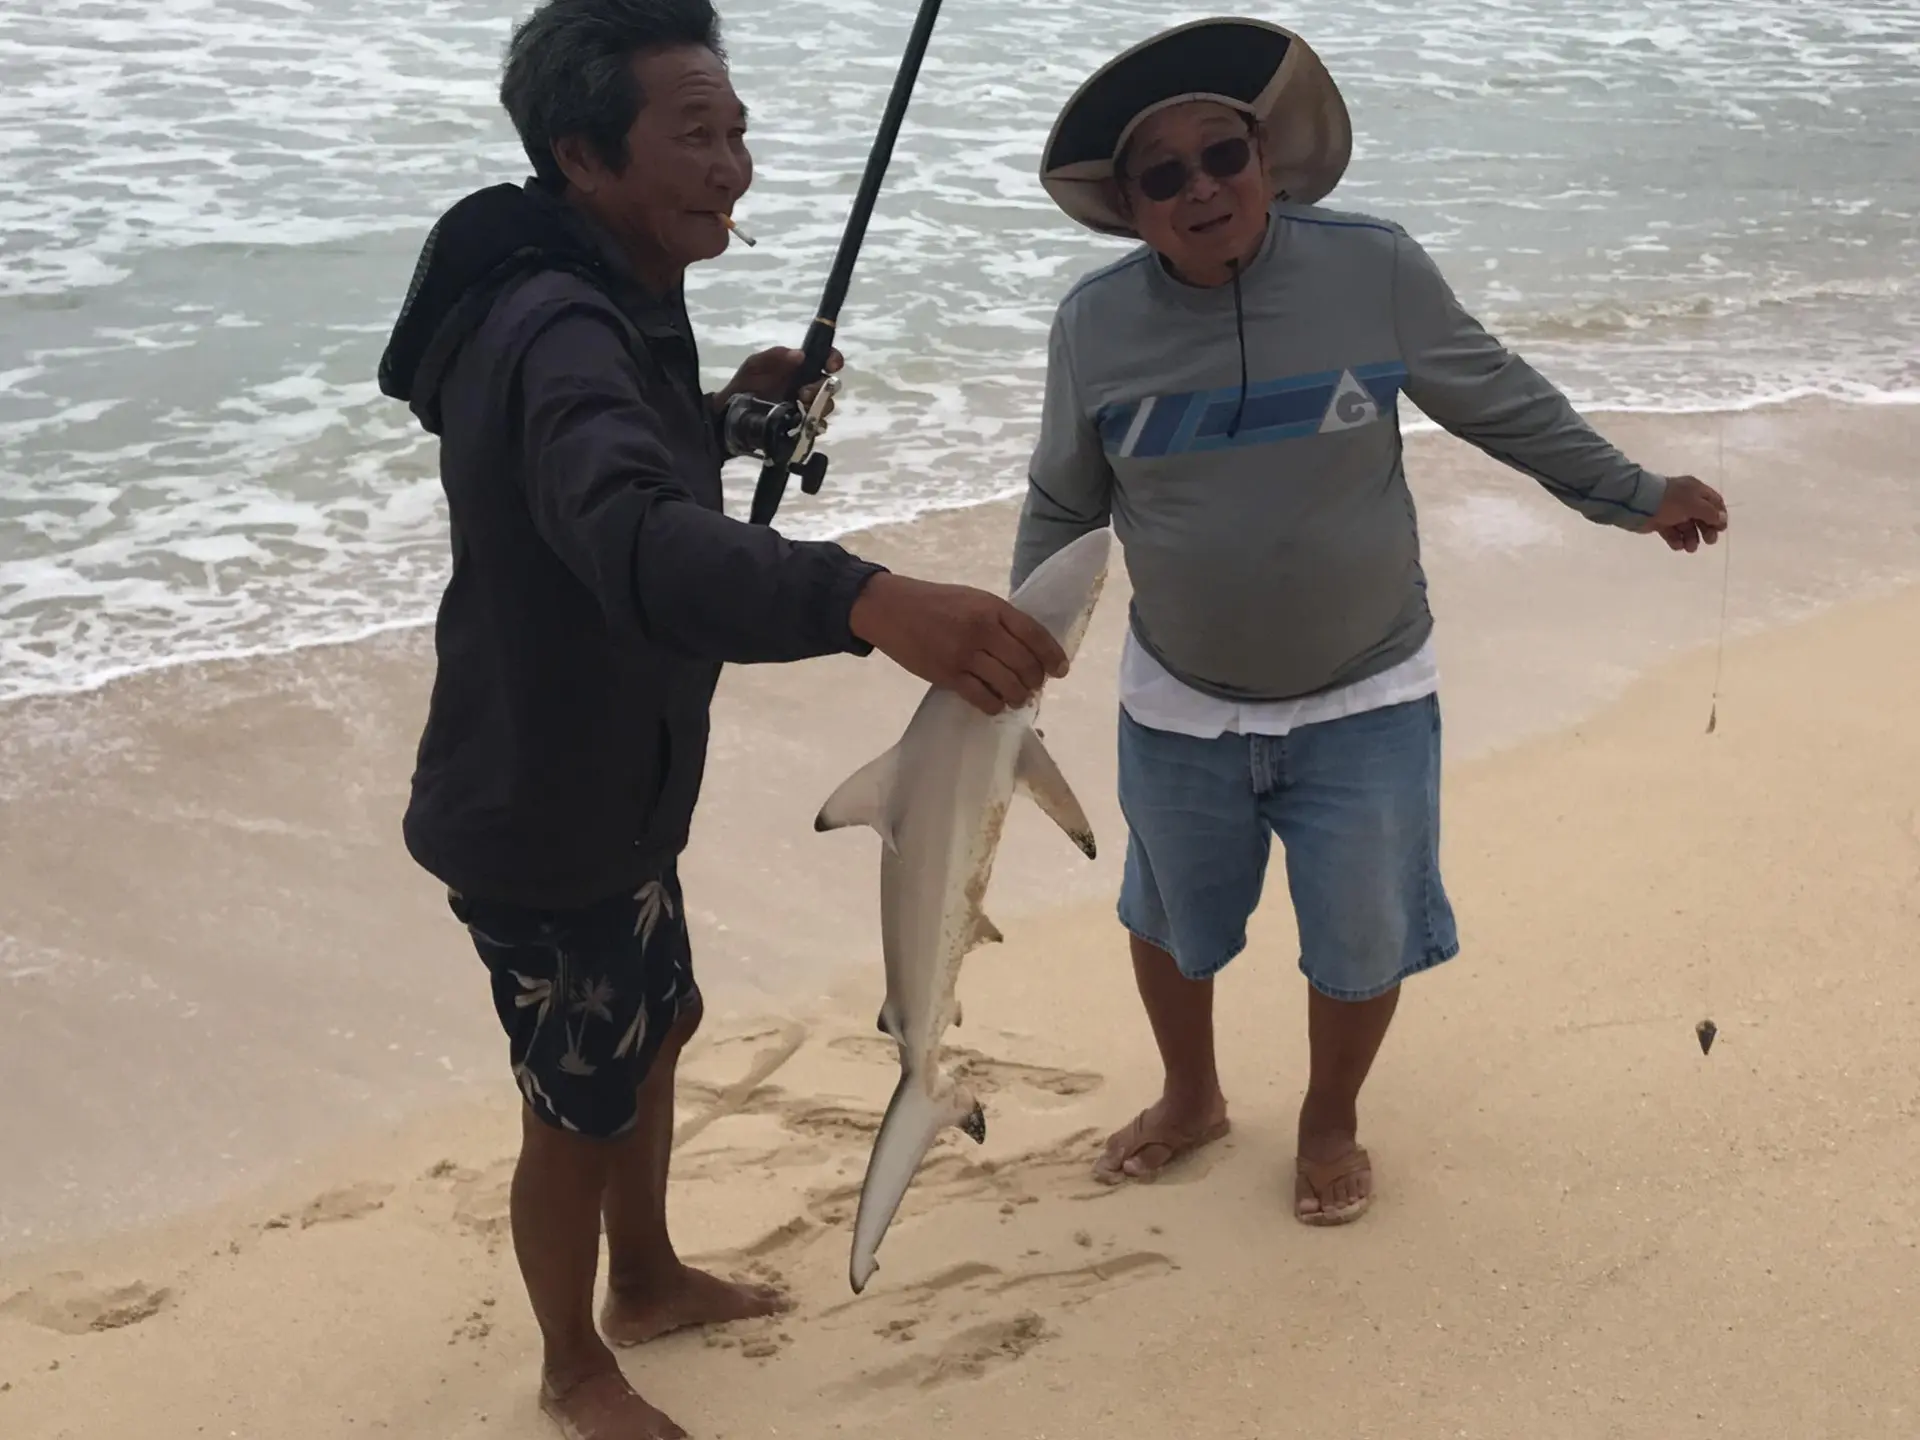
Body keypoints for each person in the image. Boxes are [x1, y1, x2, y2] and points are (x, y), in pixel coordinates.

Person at [375, 2, 1068, 1436]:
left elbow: (615, 451)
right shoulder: (556, 317)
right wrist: (871, 598)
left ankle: (649, 1274)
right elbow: (629, 530)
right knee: (576, 1106)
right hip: (542, 810)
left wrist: (724, 421)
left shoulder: (611, 276)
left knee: (660, 1026)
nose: (732, 167)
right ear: (580, 151)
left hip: (617, 779)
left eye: (736, 129)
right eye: (693, 136)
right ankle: (576, 1365)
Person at [1012, 19, 1727, 1225]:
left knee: (1364, 931)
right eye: (1165, 175)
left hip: (1367, 695)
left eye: (1222, 154)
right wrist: (1020, 654)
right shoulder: (1096, 327)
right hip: (1180, 701)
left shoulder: (1373, 269)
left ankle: (1329, 1117)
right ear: (1131, 206)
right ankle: (1193, 1095)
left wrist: (1635, 496)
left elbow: (1500, 397)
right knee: (1170, 918)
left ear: (1269, 158)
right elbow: (1064, 500)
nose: (1203, 189)